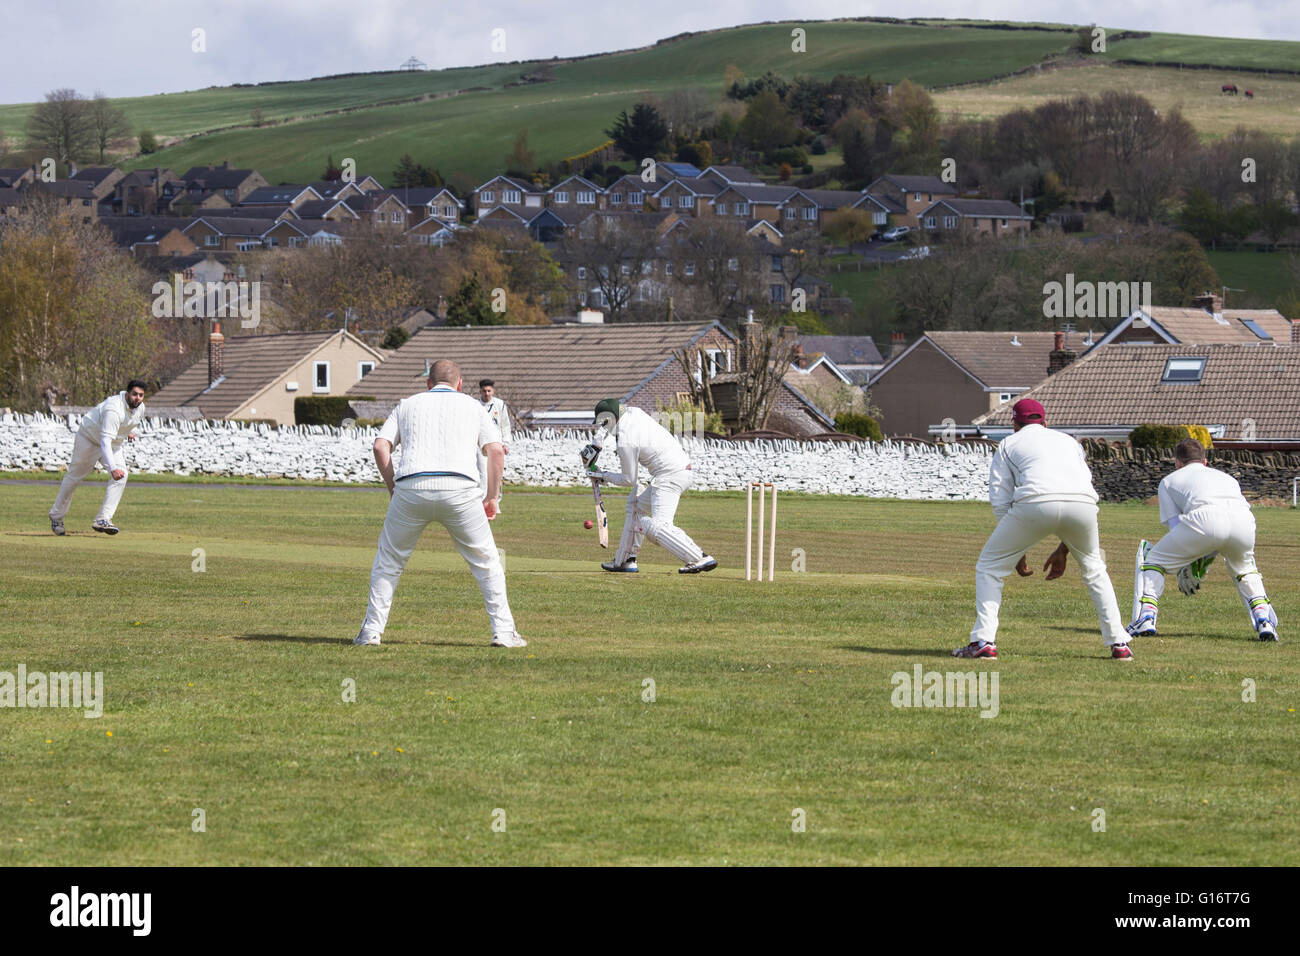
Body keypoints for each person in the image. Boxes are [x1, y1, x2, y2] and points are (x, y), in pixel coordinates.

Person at [354, 359, 525, 648]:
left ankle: (371, 633)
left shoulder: (406, 404)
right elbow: (496, 452)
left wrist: (394, 487)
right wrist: (492, 497)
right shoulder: (473, 406)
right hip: (461, 490)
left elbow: (380, 446)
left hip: (411, 487)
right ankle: (504, 634)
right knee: (487, 563)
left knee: (389, 562)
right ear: (460, 384)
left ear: (428, 383)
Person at [958, 398, 1132, 661]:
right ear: (1045, 422)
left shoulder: (1007, 444)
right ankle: (1119, 643)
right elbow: (1079, 489)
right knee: (1095, 569)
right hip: (1083, 505)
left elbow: (1000, 497)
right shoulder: (1070, 442)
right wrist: (1065, 548)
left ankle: (983, 641)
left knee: (990, 567)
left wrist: (1016, 549)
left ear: (1014, 424)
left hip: (1035, 503)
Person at [1128, 438, 1278, 642]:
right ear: (1204, 461)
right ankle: (1264, 619)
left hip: (1204, 520)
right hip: (1244, 522)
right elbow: (1222, 530)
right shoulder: (1227, 478)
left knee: (1153, 560)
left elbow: (1175, 528)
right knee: (1244, 568)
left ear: (1178, 462)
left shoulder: (1169, 480)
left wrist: (1187, 563)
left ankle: (1146, 617)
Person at [581, 398, 716, 574]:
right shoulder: (635, 412)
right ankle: (625, 560)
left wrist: (601, 475)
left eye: (603, 424)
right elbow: (612, 425)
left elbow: (629, 480)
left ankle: (699, 558)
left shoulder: (626, 441)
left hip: (670, 476)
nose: (605, 428)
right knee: (635, 506)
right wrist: (597, 442)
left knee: (659, 526)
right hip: (678, 470)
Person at [48, 380, 148, 536]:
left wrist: (126, 433)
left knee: (122, 476)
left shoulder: (140, 408)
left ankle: (103, 518)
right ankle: (56, 517)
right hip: (89, 439)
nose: (137, 398)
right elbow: (105, 441)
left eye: (141, 395)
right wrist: (112, 468)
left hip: (112, 443)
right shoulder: (113, 408)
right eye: (134, 394)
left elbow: (124, 424)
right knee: (74, 477)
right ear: (127, 393)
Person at [477, 379, 512, 513]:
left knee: (496, 474)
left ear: (493, 391)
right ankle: (483, 503)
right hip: (480, 444)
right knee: (482, 474)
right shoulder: (476, 405)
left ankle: (495, 502)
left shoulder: (500, 404)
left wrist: (506, 443)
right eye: (484, 391)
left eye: (489, 391)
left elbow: (505, 425)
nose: (487, 393)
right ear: (480, 391)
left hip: (496, 443)